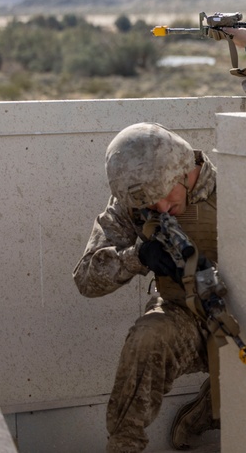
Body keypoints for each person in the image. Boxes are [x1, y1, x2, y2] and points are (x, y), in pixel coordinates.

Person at [73, 122, 220, 452]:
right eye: (151, 206)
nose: (162, 210)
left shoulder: (237, 183)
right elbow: (85, 279)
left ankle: (209, 412)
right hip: (183, 314)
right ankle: (124, 445)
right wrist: (138, 257)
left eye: (166, 197)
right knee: (147, 339)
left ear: (185, 170)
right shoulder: (137, 199)